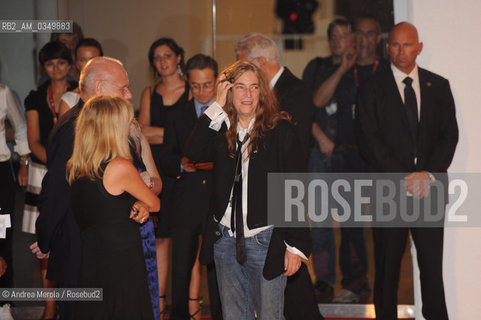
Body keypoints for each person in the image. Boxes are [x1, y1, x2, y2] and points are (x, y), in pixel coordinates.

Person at [31, 57, 161, 320]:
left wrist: (139, 201)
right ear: (100, 87)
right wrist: (45, 238)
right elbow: (56, 190)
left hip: (99, 249)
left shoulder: (101, 130)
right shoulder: (74, 128)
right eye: (123, 88)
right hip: (86, 249)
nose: (129, 94)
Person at [185, 60, 311, 320]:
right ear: (229, 91)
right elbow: (193, 152)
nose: (248, 94)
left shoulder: (279, 129)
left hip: (266, 239)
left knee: (270, 316)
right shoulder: (221, 128)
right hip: (225, 240)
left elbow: (295, 188)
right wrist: (216, 105)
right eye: (240, 87)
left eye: (254, 87)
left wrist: (295, 245)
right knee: (233, 316)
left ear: (262, 92)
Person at [356, 22, 458, 320]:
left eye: (408, 45)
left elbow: (449, 136)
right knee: (387, 270)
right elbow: (368, 140)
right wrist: (405, 177)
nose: (401, 51)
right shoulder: (371, 88)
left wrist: (426, 175)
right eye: (395, 45)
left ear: (419, 47)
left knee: (431, 269)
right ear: (387, 47)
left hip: (429, 191)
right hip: (389, 192)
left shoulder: (438, 86)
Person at [235, 33, 321, 320]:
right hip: (258, 205)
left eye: (243, 64)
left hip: (281, 199)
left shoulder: (294, 91)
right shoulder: (269, 92)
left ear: (259, 62)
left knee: (291, 277)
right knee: (284, 284)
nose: (240, 76)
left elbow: (289, 155)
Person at [67, 95, 159, 319]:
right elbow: (155, 203)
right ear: (114, 127)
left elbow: (107, 205)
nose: (131, 126)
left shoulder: (75, 168)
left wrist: (136, 202)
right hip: (121, 262)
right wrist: (142, 200)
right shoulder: (119, 166)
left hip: (91, 260)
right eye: (127, 121)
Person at [161, 54, 222, 320]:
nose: (201, 91)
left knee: (219, 266)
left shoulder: (228, 113)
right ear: (188, 82)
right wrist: (182, 165)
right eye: (196, 85)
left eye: (207, 84)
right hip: (185, 199)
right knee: (181, 266)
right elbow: (165, 156)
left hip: (217, 199)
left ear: (217, 81)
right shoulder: (176, 114)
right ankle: (179, 315)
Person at [23, 40, 77, 320]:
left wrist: (63, 167)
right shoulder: (35, 97)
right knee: (43, 239)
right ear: (43, 67)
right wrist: (56, 163)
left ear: (69, 66)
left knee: (66, 236)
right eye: (49, 63)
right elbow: (33, 140)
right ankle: (49, 307)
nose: (55, 68)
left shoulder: (78, 94)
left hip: (71, 171)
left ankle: (70, 304)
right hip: (43, 169)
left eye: (61, 62)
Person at [302, 17, 355, 302]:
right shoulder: (317, 67)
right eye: (333, 36)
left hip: (352, 156)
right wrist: (322, 138)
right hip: (319, 152)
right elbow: (311, 104)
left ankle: (356, 282)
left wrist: (350, 67)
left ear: (353, 39)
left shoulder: (363, 69)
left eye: (343, 36)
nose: (337, 41)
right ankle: (323, 281)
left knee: (352, 223)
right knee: (321, 223)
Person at [138, 37, 190, 317]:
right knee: (159, 239)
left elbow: (193, 136)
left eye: (167, 55)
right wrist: (176, 135)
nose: (162, 62)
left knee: (185, 239)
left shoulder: (191, 90)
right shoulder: (149, 92)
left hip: (184, 171)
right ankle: (158, 303)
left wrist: (163, 135)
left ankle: (187, 304)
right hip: (156, 172)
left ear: (179, 57)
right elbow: (142, 131)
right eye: (157, 57)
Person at [0, 83, 30, 320]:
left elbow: (20, 126)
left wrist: (24, 162)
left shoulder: (3, 92)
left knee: (2, 237)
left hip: (0, 174)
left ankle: (4, 303)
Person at [58, 38, 104, 118]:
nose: (88, 65)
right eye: (82, 60)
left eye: (92, 59)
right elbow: (66, 130)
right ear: (76, 63)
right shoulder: (69, 99)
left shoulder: (112, 94)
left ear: (102, 61)